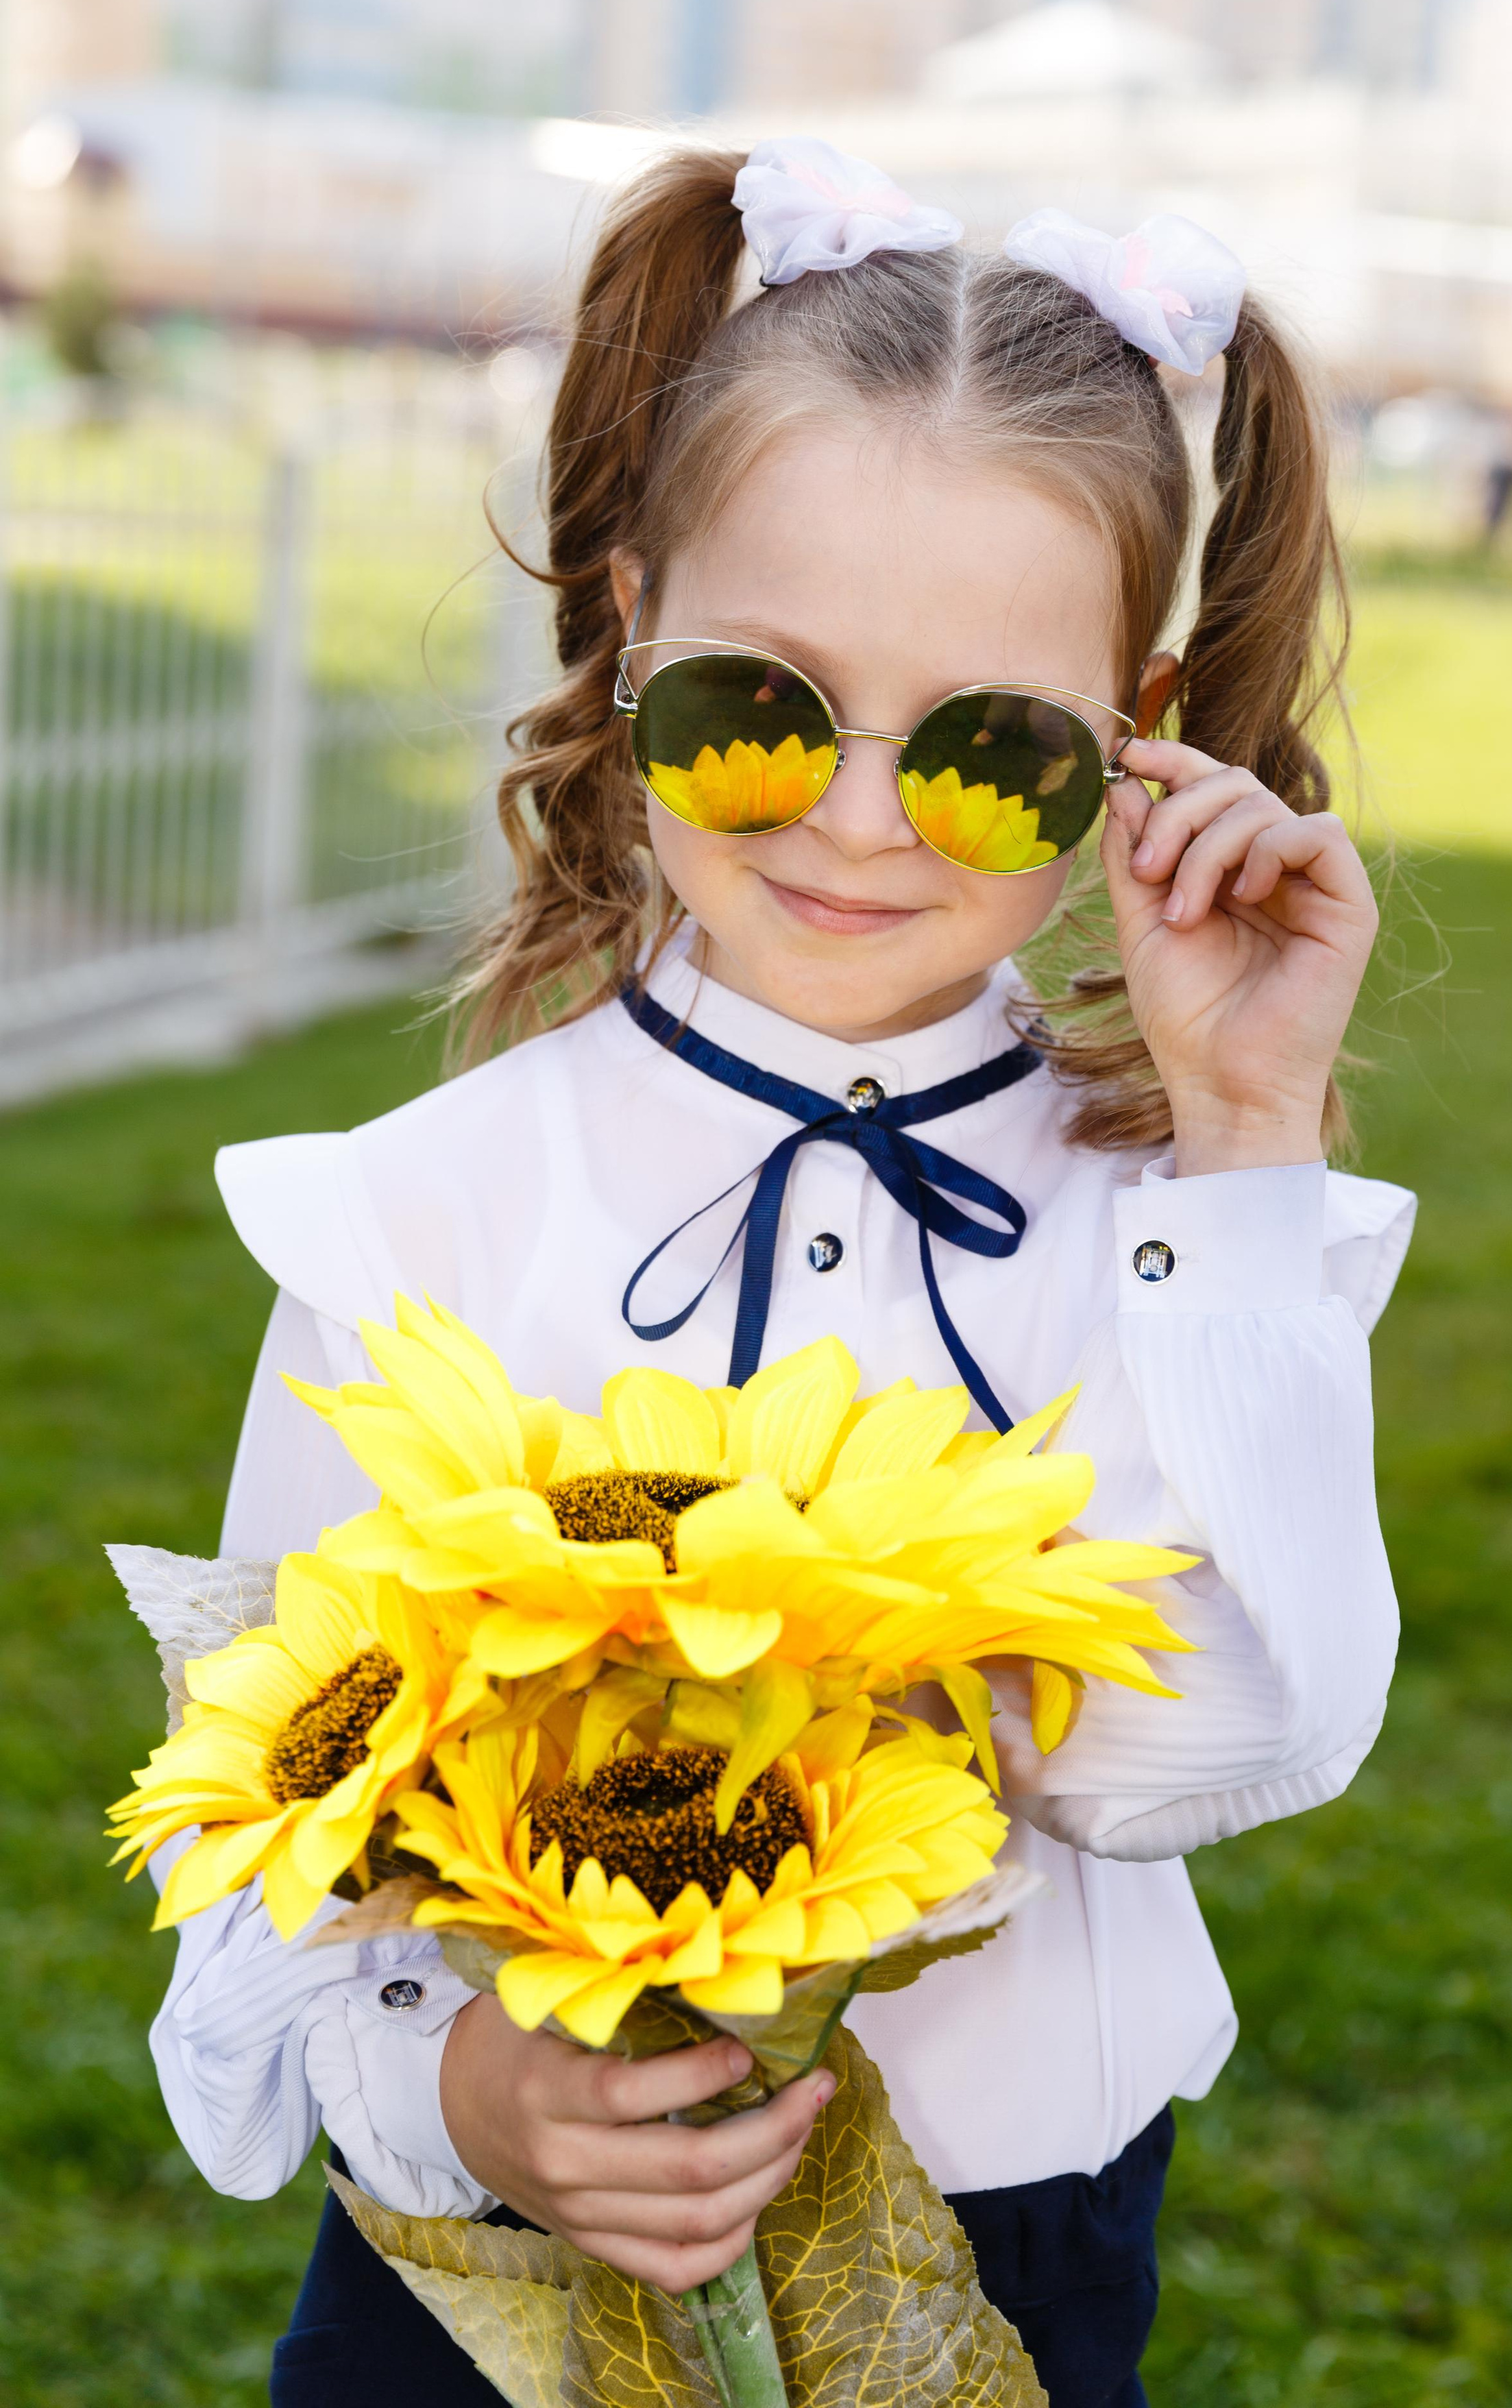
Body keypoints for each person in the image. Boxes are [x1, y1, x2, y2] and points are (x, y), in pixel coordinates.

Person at [147, 138, 1415, 2408]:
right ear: (630, 624)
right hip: (477, 2276)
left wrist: (1241, 1145)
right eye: (759, 708)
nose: (853, 820)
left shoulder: (1184, 1235)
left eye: (986, 756)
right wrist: (470, 2099)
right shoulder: (418, 1214)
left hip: (1007, 2258)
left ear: (1125, 731)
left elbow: (1225, 1744)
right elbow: (259, 1845)